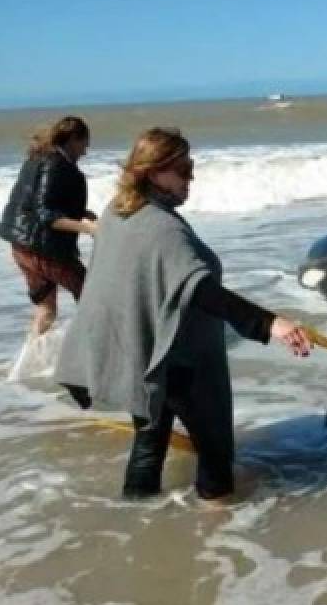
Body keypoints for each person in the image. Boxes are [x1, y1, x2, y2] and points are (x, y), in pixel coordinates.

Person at [55, 127, 313, 502]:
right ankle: (217, 538)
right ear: (154, 171)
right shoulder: (164, 228)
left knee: (148, 448)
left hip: (147, 359)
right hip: (187, 362)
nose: (191, 178)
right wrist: (271, 323)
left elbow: (112, 285)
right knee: (215, 459)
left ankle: (140, 527)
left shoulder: (117, 211)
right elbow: (201, 291)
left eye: (191, 168)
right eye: (183, 170)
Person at [0, 116, 98, 337]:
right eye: (84, 144)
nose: (85, 151)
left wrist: (83, 213)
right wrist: (90, 229)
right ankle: (92, 351)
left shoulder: (37, 159)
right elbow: (47, 215)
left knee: (46, 310)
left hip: (21, 246)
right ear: (72, 139)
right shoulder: (57, 165)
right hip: (43, 250)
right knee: (91, 295)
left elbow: (37, 202)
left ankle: (25, 365)